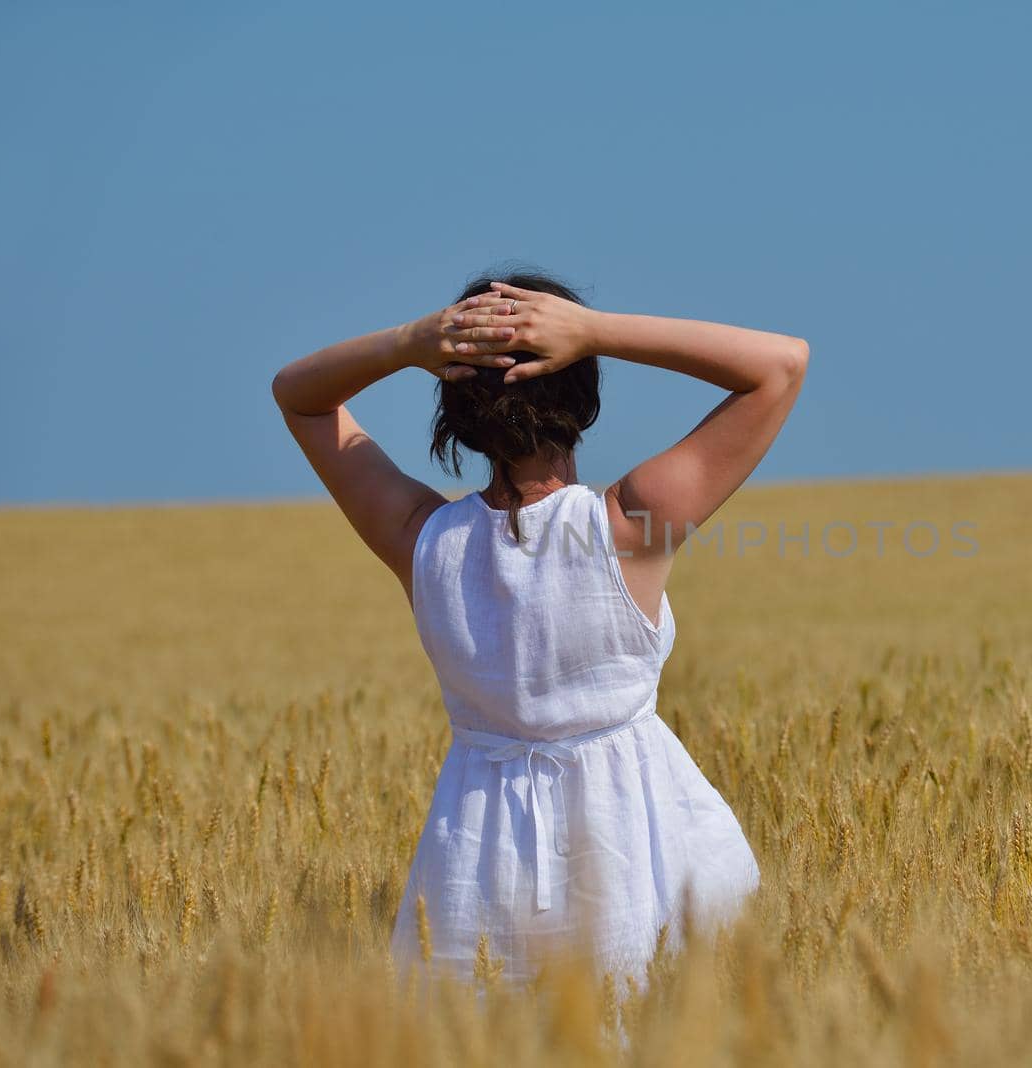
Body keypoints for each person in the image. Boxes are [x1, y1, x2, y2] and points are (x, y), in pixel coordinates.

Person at [270, 270, 810, 986]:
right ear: (580, 395)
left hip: (473, 861)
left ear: (454, 403)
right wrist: (593, 330)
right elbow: (780, 366)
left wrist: (408, 342)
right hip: (636, 840)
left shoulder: (421, 539)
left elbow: (299, 398)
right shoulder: (630, 524)